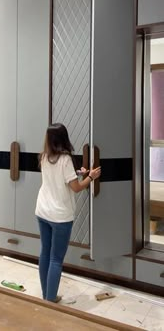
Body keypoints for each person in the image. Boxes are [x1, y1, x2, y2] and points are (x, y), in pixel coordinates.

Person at [35, 123, 101, 303]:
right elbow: (76, 187)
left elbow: (59, 178)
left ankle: (46, 295)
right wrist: (90, 177)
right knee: (56, 259)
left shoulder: (44, 157)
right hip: (60, 216)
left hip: (42, 211)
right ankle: (50, 299)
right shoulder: (65, 160)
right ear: (64, 138)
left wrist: (78, 172)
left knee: (45, 253)